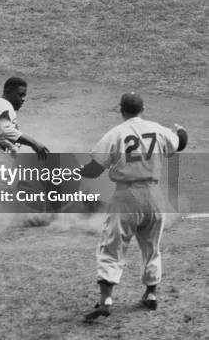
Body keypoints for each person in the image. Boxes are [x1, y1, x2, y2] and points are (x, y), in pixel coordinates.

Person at [80, 93, 187, 321]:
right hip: (153, 196)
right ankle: (150, 294)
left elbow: (95, 169)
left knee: (112, 246)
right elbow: (180, 144)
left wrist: (74, 171)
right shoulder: (158, 129)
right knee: (152, 247)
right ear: (143, 108)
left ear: (121, 110)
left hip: (126, 197)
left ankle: (106, 299)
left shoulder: (116, 133)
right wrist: (181, 131)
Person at [0, 76, 50, 157]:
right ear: (8, 92)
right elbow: (5, 130)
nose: (23, 99)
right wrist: (34, 143)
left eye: (24, 96)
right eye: (20, 95)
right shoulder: (2, 103)